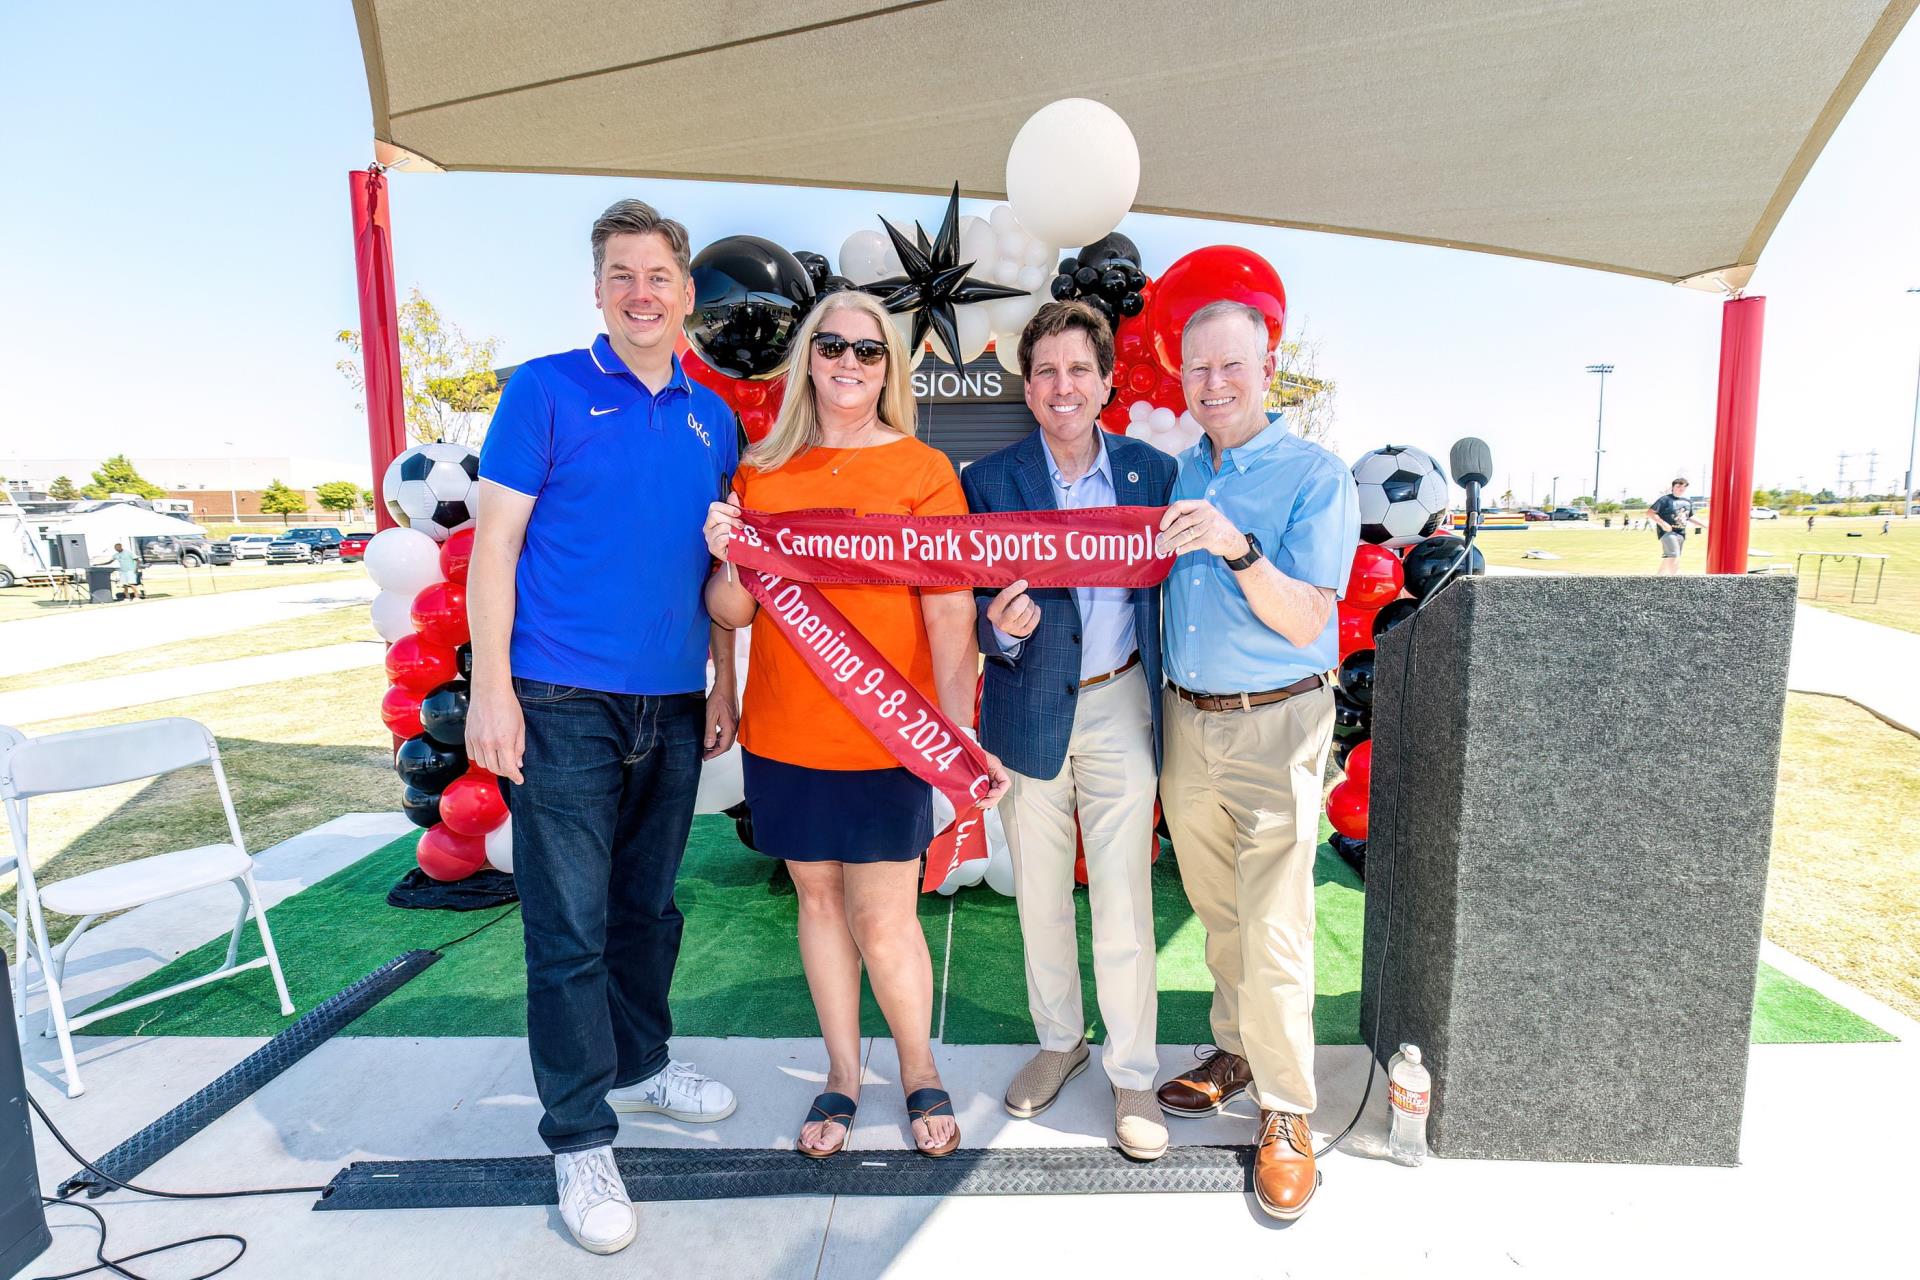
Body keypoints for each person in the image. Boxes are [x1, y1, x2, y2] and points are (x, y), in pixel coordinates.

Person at [466, 200, 741, 1257]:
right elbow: (494, 551)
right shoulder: (542, 390)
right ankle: (580, 1131)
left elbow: (714, 569)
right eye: (621, 275)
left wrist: (720, 683)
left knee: (646, 908)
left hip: (672, 704)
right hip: (559, 701)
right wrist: (491, 688)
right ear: (597, 290)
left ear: (685, 292)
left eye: (659, 275)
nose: (641, 293)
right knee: (568, 929)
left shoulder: (714, 420)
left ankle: (643, 1059)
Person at [703, 290, 1010, 1162]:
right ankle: (841, 1072)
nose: (848, 361)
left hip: (890, 734)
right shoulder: (764, 470)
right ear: (808, 357)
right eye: (831, 345)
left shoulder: (924, 471)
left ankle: (918, 1070)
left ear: (891, 368)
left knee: (885, 916)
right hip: (788, 733)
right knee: (818, 902)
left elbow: (952, 619)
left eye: (868, 351)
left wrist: (955, 737)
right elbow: (729, 607)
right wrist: (729, 552)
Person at [1152, 300, 1359, 1221]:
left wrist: (1238, 549)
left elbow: (1310, 621)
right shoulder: (1183, 468)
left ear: (1266, 367)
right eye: (1197, 370)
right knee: (1219, 909)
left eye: (1230, 367)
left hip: (1277, 724)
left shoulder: (1316, 476)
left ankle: (1286, 1109)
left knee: (1275, 922)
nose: (1213, 385)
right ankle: (1237, 1048)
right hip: (1187, 721)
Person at [959, 301, 1177, 1160]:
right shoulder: (989, 480)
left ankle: (1131, 1073)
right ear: (1026, 384)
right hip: (1025, 703)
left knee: (1123, 898)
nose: (1062, 386)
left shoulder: (1152, 474)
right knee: (1040, 896)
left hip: (1122, 701)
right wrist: (998, 629)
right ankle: (1061, 1042)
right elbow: (965, 605)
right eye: (1046, 370)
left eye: (1078, 370)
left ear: (1107, 381)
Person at [1645, 478, 1704, 575]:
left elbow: (1690, 516)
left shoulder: (1687, 502)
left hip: (1681, 533)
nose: (1681, 488)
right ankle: (1676, 582)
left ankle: (1657, 580)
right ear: (1673, 487)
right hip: (1667, 533)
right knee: (1674, 556)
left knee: (1669, 557)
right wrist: (1663, 524)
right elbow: (1650, 513)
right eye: (1678, 486)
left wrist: (1704, 525)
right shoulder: (1665, 500)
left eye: (1683, 487)